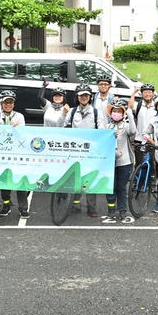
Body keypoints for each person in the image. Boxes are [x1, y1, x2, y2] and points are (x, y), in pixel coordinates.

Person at [65, 83, 106, 217]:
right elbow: (65, 129)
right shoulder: (71, 112)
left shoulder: (96, 112)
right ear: (77, 97)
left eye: (86, 95)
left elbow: (102, 131)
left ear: (90, 97)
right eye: (81, 95)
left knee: (89, 178)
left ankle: (91, 207)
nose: (84, 98)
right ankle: (75, 204)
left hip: (90, 152)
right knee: (75, 178)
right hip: (74, 152)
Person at [0, 90, 30, 218]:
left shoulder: (19, 116)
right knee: (5, 180)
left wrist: (18, 129)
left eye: (10, 102)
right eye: (5, 102)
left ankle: (23, 207)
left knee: (20, 180)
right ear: (1, 104)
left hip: (17, 153)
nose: (8, 105)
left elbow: (23, 134)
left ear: (14, 104)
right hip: (2, 153)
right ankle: (6, 205)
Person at [105, 98, 136, 223]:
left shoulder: (127, 126)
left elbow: (133, 132)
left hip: (125, 162)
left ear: (123, 114)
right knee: (111, 187)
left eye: (119, 111)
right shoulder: (107, 126)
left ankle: (123, 210)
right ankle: (111, 210)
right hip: (110, 162)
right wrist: (111, 135)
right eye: (114, 111)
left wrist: (129, 113)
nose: (116, 113)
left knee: (121, 187)